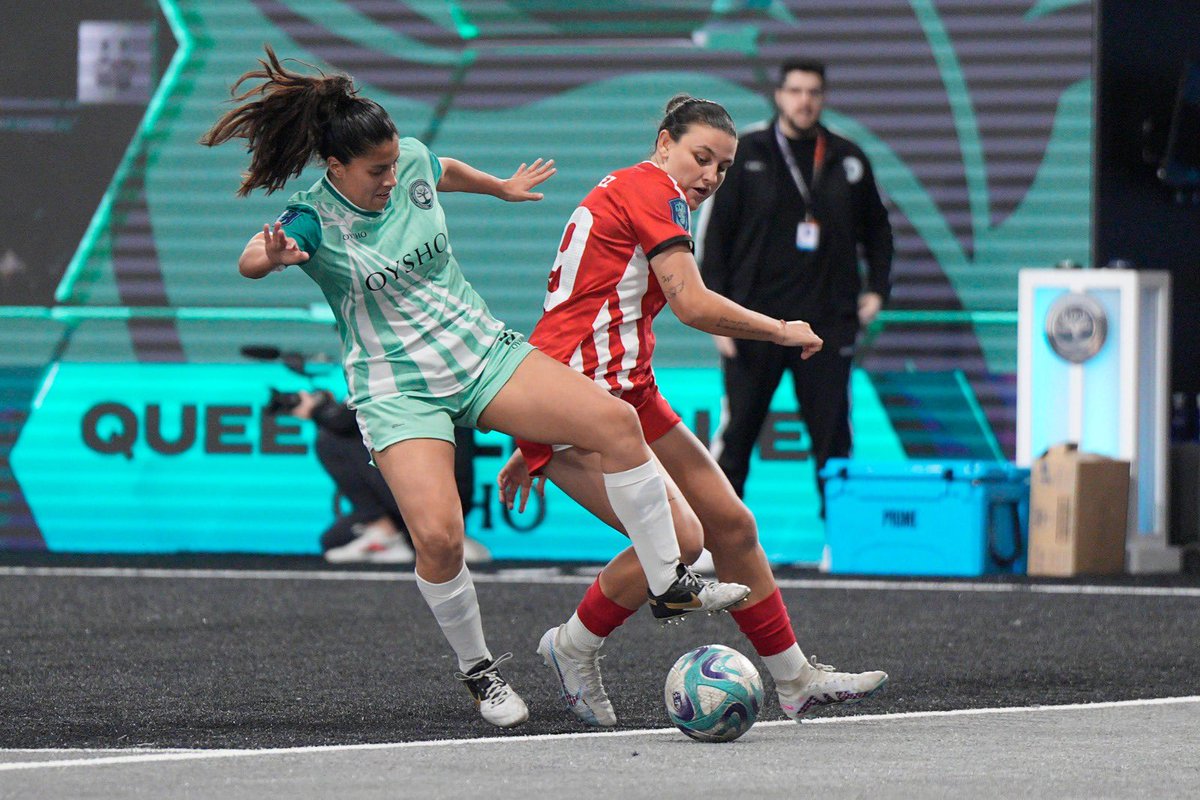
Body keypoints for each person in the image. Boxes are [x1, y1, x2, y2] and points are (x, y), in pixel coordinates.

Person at [200, 47, 749, 729]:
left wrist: (501, 188)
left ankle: (671, 581)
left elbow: (441, 170)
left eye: (395, 163)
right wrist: (271, 257)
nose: (391, 178)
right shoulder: (315, 219)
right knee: (439, 540)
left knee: (613, 421)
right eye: (376, 172)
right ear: (336, 167)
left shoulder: (411, 165)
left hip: (480, 353)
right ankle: (479, 670)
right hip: (398, 388)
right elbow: (251, 259)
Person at [497, 94, 888, 728]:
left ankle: (794, 680)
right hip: (580, 394)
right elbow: (693, 305)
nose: (710, 175)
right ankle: (572, 645)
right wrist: (784, 329)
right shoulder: (654, 191)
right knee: (681, 540)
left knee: (731, 525)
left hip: (624, 385)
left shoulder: (641, 188)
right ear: (663, 144)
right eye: (700, 157)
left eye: (724, 167)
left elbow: (591, 302)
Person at [699, 58, 894, 509]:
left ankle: (840, 540)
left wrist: (877, 291)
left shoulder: (848, 158)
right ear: (780, 95)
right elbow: (714, 242)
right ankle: (715, 542)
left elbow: (879, 232)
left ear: (823, 98)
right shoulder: (745, 153)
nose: (804, 101)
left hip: (826, 325)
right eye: (796, 91)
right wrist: (718, 322)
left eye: (813, 92)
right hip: (752, 322)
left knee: (834, 436)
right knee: (737, 436)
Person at [282, 390, 490, 565]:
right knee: (333, 539)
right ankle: (441, 536)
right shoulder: (446, 371)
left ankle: (391, 532)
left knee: (330, 438)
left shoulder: (394, 366)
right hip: (450, 496)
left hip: (427, 493)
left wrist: (315, 409)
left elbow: (340, 421)